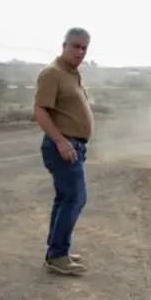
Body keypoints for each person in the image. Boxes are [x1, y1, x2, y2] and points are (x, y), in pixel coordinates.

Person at [32, 27, 95, 275]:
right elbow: (40, 111)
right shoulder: (52, 73)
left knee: (65, 198)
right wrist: (60, 141)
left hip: (74, 145)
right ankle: (57, 254)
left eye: (84, 48)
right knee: (75, 198)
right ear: (64, 46)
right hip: (63, 146)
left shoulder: (72, 74)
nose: (79, 51)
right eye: (75, 46)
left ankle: (57, 252)